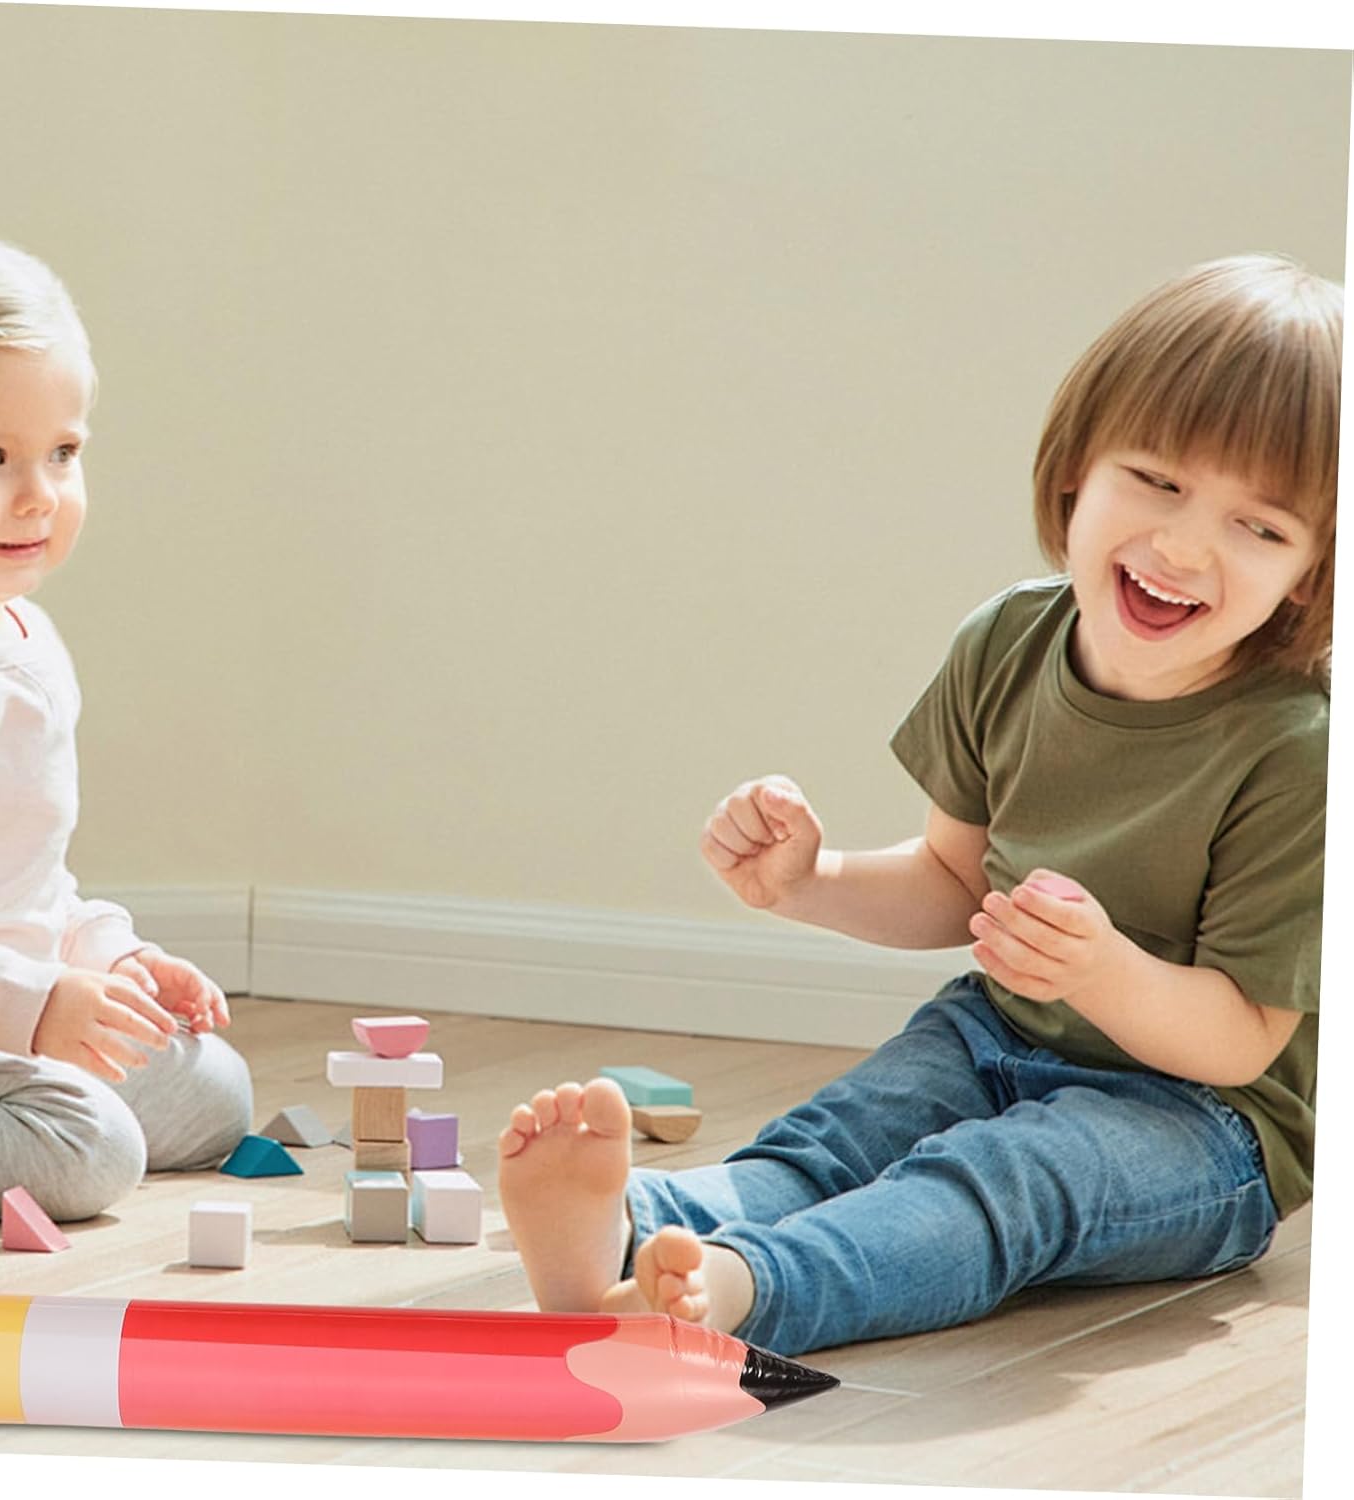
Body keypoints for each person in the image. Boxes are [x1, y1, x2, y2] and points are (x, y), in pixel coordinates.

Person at [497, 253, 1338, 1356]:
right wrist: (810, 880)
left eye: (1259, 528)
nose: (1183, 547)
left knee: (1001, 1178)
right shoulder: (1008, 643)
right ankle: (631, 1230)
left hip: (1202, 1125)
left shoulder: (1297, 748)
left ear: (1312, 572)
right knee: (840, 1140)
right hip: (998, 1032)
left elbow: (1239, 1040)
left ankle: (743, 1289)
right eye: (1157, 481)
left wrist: (1101, 972)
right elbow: (953, 880)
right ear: (1076, 471)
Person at [0, 232, 253, 1222]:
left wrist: (108, 960)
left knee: (212, 1088)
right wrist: (35, 1008)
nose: (39, 494)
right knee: (90, 1149)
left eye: (64, 453)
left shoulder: (23, 636)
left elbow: (19, 885)